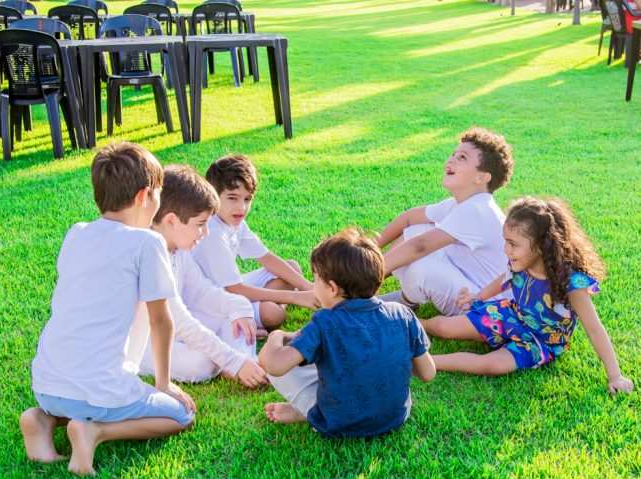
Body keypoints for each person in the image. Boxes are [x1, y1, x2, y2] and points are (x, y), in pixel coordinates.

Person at [20, 142, 196, 476]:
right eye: (158, 195)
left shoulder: (77, 233)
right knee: (180, 415)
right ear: (144, 197)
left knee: (80, 395)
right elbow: (162, 322)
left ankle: (43, 419)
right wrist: (164, 384)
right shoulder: (147, 243)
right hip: (100, 391)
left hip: (45, 385)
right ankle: (95, 431)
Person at [422, 196, 634, 394]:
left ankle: (428, 362)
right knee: (444, 327)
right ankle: (411, 324)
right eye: (505, 241)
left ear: (542, 246)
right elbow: (503, 279)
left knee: (494, 364)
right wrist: (478, 297)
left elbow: (595, 330)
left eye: (513, 244)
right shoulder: (520, 263)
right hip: (512, 316)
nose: (506, 249)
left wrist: (615, 376)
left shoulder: (572, 283)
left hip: (540, 341)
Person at [258, 228, 437, 438]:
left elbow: (273, 365)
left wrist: (276, 336)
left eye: (315, 280)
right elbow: (428, 373)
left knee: (277, 362)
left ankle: (309, 412)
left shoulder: (325, 322)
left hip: (338, 424)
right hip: (395, 418)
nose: (314, 286)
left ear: (332, 288)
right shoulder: (403, 315)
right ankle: (309, 408)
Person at [129, 164, 269, 387]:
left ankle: (245, 361)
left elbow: (201, 292)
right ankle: (236, 363)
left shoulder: (179, 248)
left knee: (238, 312)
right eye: (201, 224)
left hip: (181, 328)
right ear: (172, 221)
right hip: (145, 341)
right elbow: (179, 320)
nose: (205, 232)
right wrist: (233, 359)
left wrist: (238, 307)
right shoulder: (149, 255)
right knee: (203, 363)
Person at [376, 127, 513, 316]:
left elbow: (419, 246)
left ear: (482, 177)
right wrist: (369, 248)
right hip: (469, 286)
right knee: (419, 228)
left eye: (462, 158)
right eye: (453, 154)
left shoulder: (476, 210)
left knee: (422, 264)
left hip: (485, 308)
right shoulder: (462, 204)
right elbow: (410, 217)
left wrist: (364, 275)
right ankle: (403, 297)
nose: (451, 160)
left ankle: (393, 297)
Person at [191, 154, 317, 331]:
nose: (241, 208)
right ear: (213, 195)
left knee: (292, 267)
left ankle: (273, 303)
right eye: (232, 198)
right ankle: (261, 311)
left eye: (247, 199)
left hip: (230, 287)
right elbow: (235, 290)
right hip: (211, 303)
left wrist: (307, 287)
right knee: (272, 314)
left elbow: (266, 258)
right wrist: (296, 297)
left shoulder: (234, 221)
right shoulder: (213, 233)